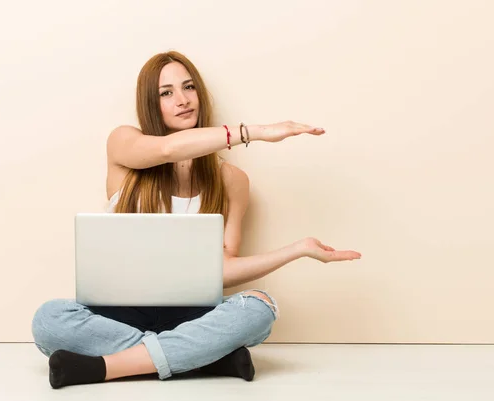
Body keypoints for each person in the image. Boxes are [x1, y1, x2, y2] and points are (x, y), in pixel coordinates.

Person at [31, 50, 361, 389]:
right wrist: (254, 132)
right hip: (120, 312)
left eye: (189, 88)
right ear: (150, 102)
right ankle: (205, 358)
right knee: (49, 320)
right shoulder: (124, 144)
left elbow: (223, 269)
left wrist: (297, 249)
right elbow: (167, 150)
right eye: (166, 92)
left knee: (259, 309)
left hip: (192, 314)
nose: (183, 100)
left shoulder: (232, 180)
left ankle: (106, 367)